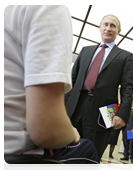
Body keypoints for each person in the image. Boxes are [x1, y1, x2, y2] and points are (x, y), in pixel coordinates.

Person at [4, 5, 98, 170]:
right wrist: (73, 133)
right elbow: (47, 132)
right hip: (16, 155)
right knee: (88, 148)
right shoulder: (48, 8)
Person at [64, 14, 133, 162]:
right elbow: (72, 79)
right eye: (105, 24)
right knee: (65, 149)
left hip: (102, 112)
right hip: (75, 106)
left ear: (119, 31)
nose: (108, 28)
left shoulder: (125, 56)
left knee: (91, 155)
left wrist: (122, 114)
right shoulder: (85, 50)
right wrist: (62, 106)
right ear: (100, 27)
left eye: (113, 26)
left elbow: (127, 87)